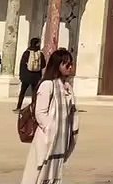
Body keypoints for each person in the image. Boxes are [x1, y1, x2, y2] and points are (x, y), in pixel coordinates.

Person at [20, 49, 79, 184]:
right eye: (66, 65)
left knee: (54, 173)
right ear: (57, 65)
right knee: (39, 174)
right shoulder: (48, 85)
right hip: (48, 139)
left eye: (71, 64)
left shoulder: (67, 87)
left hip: (61, 140)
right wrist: (50, 129)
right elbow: (40, 112)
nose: (70, 68)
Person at [18, 38, 45, 111]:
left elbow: (22, 65)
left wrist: (21, 75)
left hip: (26, 75)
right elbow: (43, 65)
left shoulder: (27, 53)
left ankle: (18, 107)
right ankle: (33, 107)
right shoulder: (40, 53)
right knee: (34, 92)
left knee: (22, 92)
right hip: (36, 76)